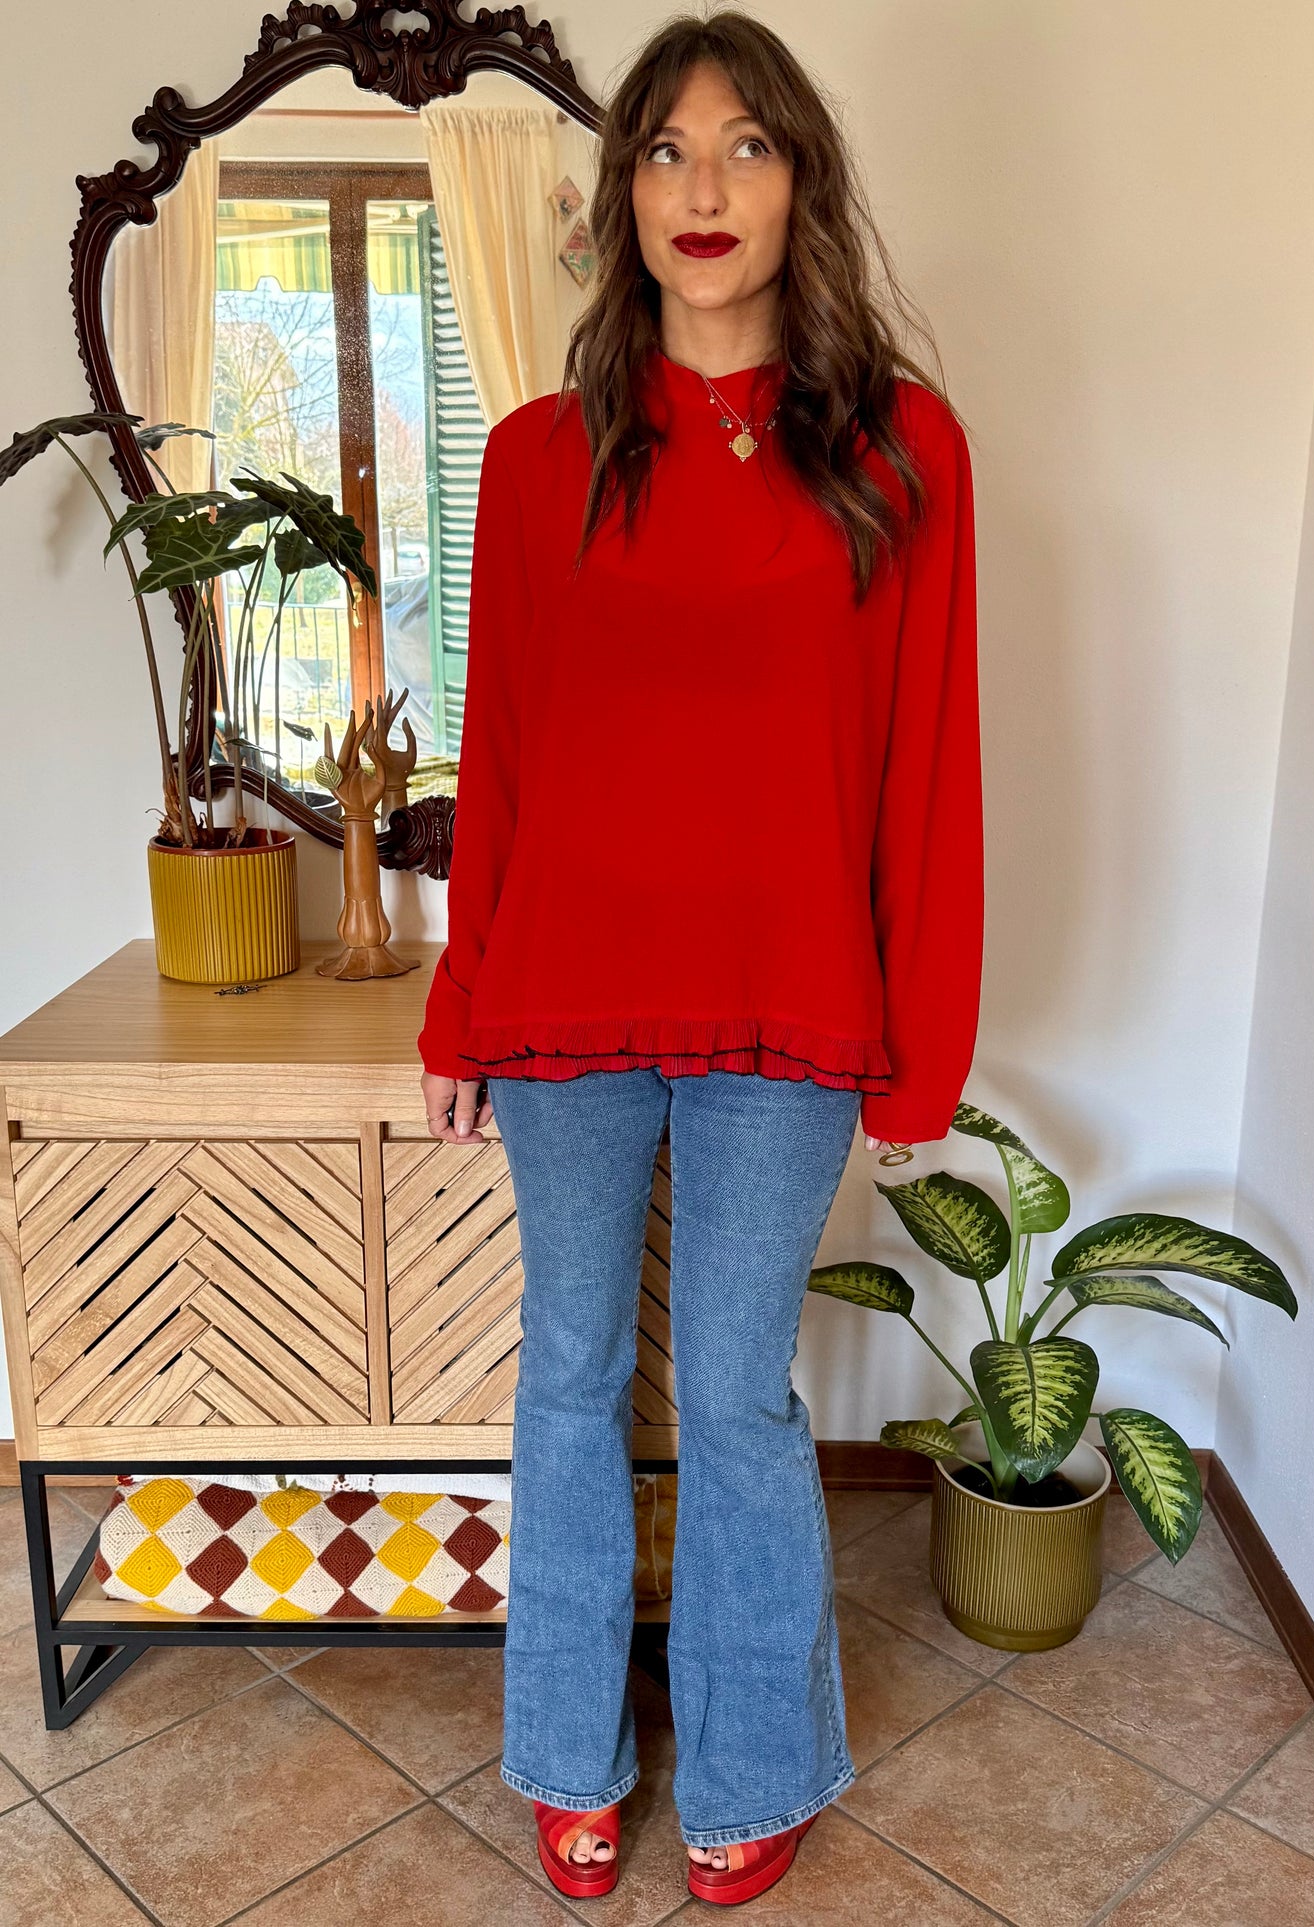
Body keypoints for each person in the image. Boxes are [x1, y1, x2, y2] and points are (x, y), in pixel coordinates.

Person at [417, 9, 983, 1907]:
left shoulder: (903, 452)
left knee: (736, 1394)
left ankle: (755, 1761)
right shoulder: (530, 462)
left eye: (744, 146)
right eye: (664, 152)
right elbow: (494, 757)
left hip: (788, 1014)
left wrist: (921, 1050)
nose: (703, 188)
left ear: (800, 179)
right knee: (567, 1378)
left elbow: (924, 765)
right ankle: (565, 1757)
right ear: (619, 202)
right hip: (566, 1006)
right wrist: (457, 995)